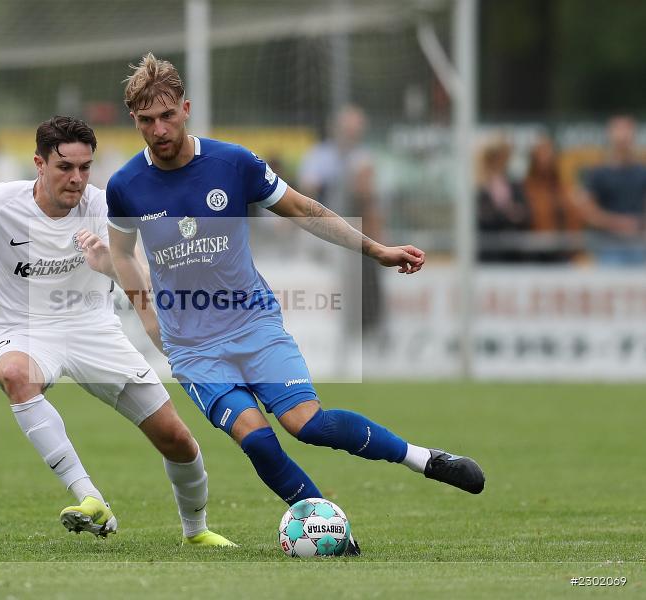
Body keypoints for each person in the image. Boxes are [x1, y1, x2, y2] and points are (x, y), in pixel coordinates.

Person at [106, 54, 486, 555]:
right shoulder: (125, 185)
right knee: (258, 440)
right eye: (146, 120)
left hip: (253, 323)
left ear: (186, 108)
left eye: (167, 115)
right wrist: (150, 318)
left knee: (310, 426)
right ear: (134, 120)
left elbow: (305, 210)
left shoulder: (233, 163)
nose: (158, 129)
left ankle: (424, 458)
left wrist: (375, 249)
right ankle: (333, 532)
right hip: (194, 348)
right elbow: (120, 251)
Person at [0, 116, 233, 546]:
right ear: (39, 164)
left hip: (93, 328)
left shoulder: (104, 205)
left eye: (86, 167)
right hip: (22, 330)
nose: (77, 178)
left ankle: (197, 532)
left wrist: (110, 266)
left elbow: (139, 276)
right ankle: (89, 498)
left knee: (176, 439)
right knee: (14, 374)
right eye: (65, 167)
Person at [299, 105, 385, 337]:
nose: (351, 134)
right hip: (323, 233)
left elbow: (368, 198)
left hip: (354, 236)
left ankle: (367, 331)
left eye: (356, 130)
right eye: (347, 129)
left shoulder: (363, 158)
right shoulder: (319, 156)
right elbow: (307, 194)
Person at [577, 115, 646, 265]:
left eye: (626, 132)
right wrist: (618, 223)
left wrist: (638, 224)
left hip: (639, 246)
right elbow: (588, 212)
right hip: (607, 248)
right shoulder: (597, 173)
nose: (622, 137)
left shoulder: (642, 172)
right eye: (619, 131)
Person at [523, 135, 583, 262]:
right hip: (537, 255)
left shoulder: (566, 188)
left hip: (566, 253)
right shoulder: (526, 189)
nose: (546, 158)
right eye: (541, 154)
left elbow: (576, 219)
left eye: (549, 153)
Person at [476, 137, 531, 262]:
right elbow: (483, 218)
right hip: (489, 252)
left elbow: (526, 213)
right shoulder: (481, 185)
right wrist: (508, 214)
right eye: (497, 156)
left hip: (513, 252)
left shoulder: (513, 183)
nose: (501, 160)